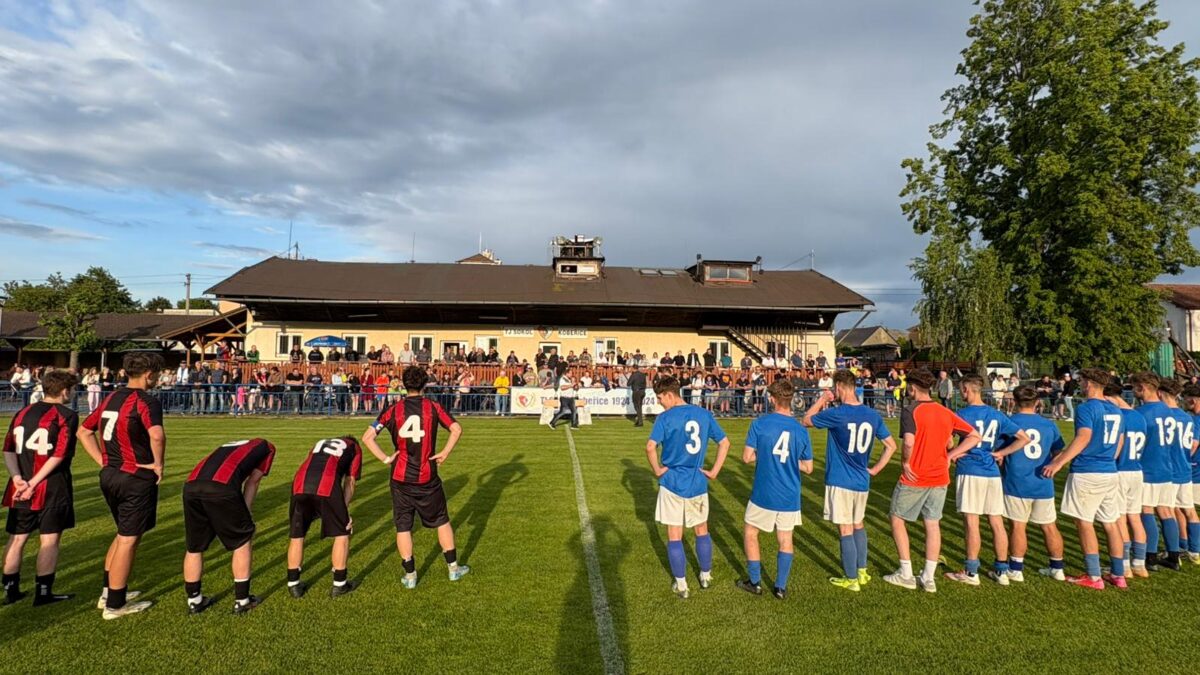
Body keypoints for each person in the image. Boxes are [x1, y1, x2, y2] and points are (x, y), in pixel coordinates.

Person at [362, 366, 469, 589]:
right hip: (427, 476)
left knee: (403, 526)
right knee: (441, 520)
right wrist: (445, 452)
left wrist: (386, 459)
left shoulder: (393, 409)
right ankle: (453, 569)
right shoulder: (433, 406)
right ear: (424, 384)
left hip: (400, 478)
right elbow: (457, 429)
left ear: (403, 384)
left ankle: (410, 576)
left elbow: (368, 437)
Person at [77, 352, 166, 619]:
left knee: (122, 533)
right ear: (149, 375)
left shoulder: (111, 398)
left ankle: (110, 592)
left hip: (110, 475)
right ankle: (115, 605)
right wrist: (158, 464)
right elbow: (157, 435)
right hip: (134, 477)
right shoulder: (146, 401)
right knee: (129, 539)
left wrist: (104, 461)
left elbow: (84, 431)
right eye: (156, 375)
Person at [884, 368, 981, 593]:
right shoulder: (944, 411)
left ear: (912, 388)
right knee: (932, 523)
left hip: (916, 476)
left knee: (897, 518)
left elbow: (909, 442)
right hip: (939, 477)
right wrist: (950, 455)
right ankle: (928, 578)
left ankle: (906, 573)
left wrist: (906, 462)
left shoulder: (911, 410)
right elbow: (974, 436)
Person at [803, 370, 896, 593]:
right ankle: (862, 571)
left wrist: (822, 400)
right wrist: (875, 469)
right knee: (858, 524)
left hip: (840, 479)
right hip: (861, 480)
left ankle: (851, 578)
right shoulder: (872, 415)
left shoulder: (838, 414)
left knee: (845, 529)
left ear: (839, 387)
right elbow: (891, 446)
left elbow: (805, 420)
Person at [645, 376, 730, 599]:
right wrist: (714, 471)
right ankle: (705, 575)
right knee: (702, 529)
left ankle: (681, 584)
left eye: (660, 398)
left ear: (670, 395)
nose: (659, 403)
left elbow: (650, 447)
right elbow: (724, 443)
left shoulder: (664, 418)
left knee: (675, 534)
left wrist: (657, 470)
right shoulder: (703, 414)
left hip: (672, 482)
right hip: (697, 482)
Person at [1041, 368, 1126, 590]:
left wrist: (1059, 462)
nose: (1080, 385)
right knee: (1110, 522)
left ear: (1088, 383)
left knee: (1084, 522)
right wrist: (1108, 459)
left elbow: (1083, 437)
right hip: (1109, 471)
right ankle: (1118, 574)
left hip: (1088, 470)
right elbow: (1120, 440)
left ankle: (1094, 576)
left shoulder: (1087, 408)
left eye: (1082, 381)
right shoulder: (1116, 409)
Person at [2, 370, 79, 605]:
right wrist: (34, 483)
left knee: (17, 537)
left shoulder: (22, 412)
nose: (72, 394)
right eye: (72, 390)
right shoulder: (66, 415)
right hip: (51, 485)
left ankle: (10, 589)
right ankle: (43, 592)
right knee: (49, 539)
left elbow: (8, 449)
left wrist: (17, 478)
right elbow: (59, 454)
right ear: (64, 391)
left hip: (20, 485)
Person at [944, 374, 1030, 586]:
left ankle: (971, 572)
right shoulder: (996, 414)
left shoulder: (962, 414)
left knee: (971, 521)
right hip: (991, 472)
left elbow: (947, 439)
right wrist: (1001, 453)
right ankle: (1001, 571)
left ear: (966, 389)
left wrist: (954, 452)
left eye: (961, 389)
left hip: (970, 470)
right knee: (996, 521)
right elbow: (1024, 438)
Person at [736, 379, 813, 599]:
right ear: (791, 400)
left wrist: (766, 455)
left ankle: (755, 582)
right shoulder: (800, 430)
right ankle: (780, 587)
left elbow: (747, 457)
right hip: (790, 494)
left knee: (751, 532)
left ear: (772, 399)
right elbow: (808, 468)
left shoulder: (760, 424)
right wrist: (789, 460)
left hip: (764, 492)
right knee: (785, 538)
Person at [181, 438, 275, 614]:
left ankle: (194, 601)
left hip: (191, 486)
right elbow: (253, 481)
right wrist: (246, 511)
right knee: (242, 540)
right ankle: (242, 601)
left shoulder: (228, 445)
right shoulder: (267, 447)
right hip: (221, 487)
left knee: (194, 546)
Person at [993, 385, 1067, 582]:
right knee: (1049, 526)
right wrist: (1053, 465)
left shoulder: (1009, 423)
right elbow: (1058, 451)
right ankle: (1057, 568)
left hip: (1016, 481)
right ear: (1037, 403)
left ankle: (1016, 569)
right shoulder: (1049, 424)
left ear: (1014, 402)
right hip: (1043, 481)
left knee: (1018, 526)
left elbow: (999, 454)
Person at [287, 436, 363, 598]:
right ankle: (340, 584)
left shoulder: (320, 443)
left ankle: (293, 584)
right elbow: (350, 481)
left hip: (300, 482)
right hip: (326, 483)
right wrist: (344, 509)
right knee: (342, 532)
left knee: (297, 534)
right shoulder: (354, 447)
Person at [1130, 372, 1181, 570]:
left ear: (1142, 388)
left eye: (1134, 387)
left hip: (1149, 468)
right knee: (1166, 511)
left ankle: (1149, 555)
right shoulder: (1169, 410)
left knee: (1146, 510)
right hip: (1166, 467)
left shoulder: (1142, 413)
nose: (1133, 391)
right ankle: (1173, 555)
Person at [1108, 380, 1149, 577]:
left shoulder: (1119, 416)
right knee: (1135, 517)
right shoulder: (1139, 416)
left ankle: (1124, 566)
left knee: (1120, 518)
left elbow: (1116, 444)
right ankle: (1139, 564)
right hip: (1136, 469)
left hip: (1121, 469)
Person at [1160, 379, 1197, 561]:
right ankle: (1194, 550)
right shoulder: (1187, 417)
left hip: (1170, 468)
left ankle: (1174, 550)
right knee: (1189, 510)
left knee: (1168, 510)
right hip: (1185, 467)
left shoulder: (1166, 416)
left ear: (1160, 393)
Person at [1181, 383, 1200, 562]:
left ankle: (1192, 549)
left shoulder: (1196, 420)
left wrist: (1184, 459)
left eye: (1185, 399)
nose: (1184, 403)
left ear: (1193, 400)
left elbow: (1193, 444)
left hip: (1194, 469)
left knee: (1185, 508)